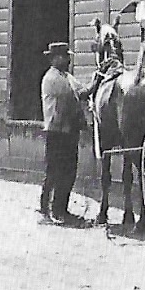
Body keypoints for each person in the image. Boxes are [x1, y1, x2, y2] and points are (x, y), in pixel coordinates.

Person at [39, 41, 91, 226]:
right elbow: (74, 96)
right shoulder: (53, 78)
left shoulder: (66, 76)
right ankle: (55, 210)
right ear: (55, 59)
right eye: (65, 56)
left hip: (67, 130)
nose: (68, 59)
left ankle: (52, 207)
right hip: (58, 131)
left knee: (62, 171)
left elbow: (82, 91)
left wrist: (97, 78)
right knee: (59, 171)